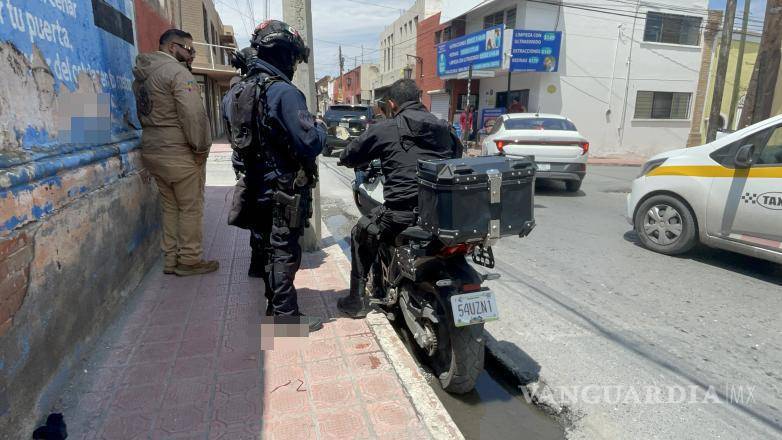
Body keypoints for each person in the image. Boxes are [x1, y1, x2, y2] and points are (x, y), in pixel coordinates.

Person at [222, 20, 325, 331]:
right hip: (283, 187)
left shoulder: (235, 92)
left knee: (266, 244)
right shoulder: (283, 92)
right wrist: (319, 129)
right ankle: (284, 321)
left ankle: (272, 302)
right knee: (283, 251)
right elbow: (309, 143)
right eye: (293, 57)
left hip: (254, 182)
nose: (293, 64)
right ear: (283, 54)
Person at [336, 79, 463, 318]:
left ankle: (356, 301)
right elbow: (458, 156)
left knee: (360, 234)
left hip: (402, 215)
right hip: (441, 216)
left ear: (392, 104)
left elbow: (350, 155)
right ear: (419, 98)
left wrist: (346, 157)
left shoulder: (386, 128)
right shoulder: (445, 128)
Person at [132, 29, 218, 276]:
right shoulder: (177, 73)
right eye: (189, 49)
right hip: (178, 152)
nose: (192, 54)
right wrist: (201, 148)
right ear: (172, 47)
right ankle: (189, 259)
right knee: (190, 207)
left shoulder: (142, 76)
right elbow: (193, 114)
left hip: (153, 149)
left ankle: (170, 259)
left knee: (170, 207)